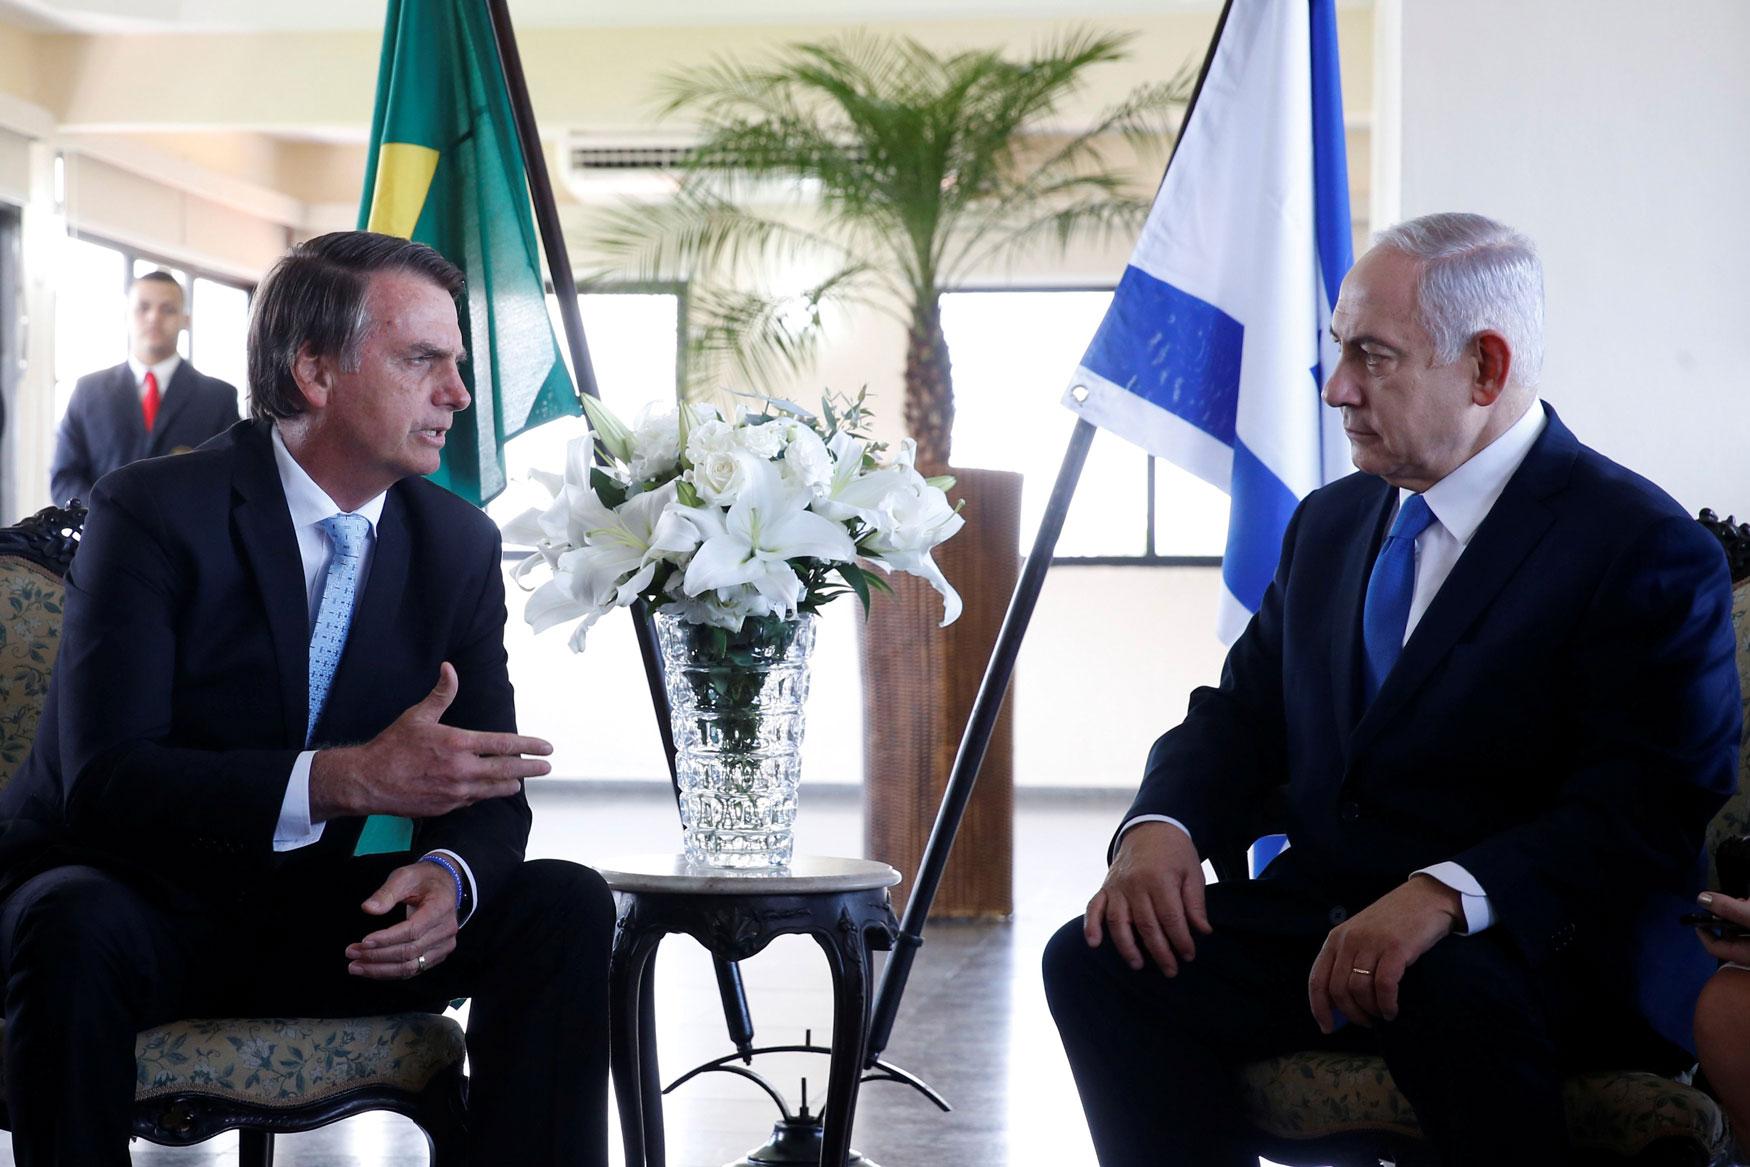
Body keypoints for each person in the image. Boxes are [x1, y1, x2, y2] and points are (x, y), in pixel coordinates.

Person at [1042, 212, 1742, 1166]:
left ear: (1486, 367)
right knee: (1100, 958)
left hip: (1537, 946)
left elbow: (1645, 805)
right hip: (1326, 922)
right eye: (1338, 350)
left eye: (1372, 356)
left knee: (1444, 990)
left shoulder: (1641, 546)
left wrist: (1446, 894)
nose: (1336, 388)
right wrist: (1161, 827)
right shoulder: (1330, 523)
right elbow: (1243, 716)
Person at [0, 232, 612, 1166]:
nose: (457, 394)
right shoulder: (150, 511)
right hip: (138, 901)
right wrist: (342, 780)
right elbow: (105, 782)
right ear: (316, 372)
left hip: (326, 920)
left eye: (456, 363)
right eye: (422, 360)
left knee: (563, 903)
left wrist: (448, 877)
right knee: (70, 921)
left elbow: (490, 791)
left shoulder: (458, 544)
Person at [49, 269, 240, 506]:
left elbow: (233, 480)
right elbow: (64, 477)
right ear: (126, 315)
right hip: (101, 526)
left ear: (186, 320)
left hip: (186, 528)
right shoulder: (88, 392)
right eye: (143, 308)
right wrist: (103, 514)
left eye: (167, 309)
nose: (153, 317)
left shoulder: (218, 398)